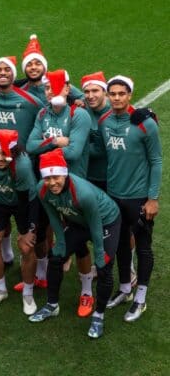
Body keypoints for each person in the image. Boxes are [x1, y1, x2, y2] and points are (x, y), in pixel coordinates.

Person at [29, 149, 120, 339]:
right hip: (79, 221)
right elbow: (53, 217)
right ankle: (52, 305)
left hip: (105, 221)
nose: (52, 183)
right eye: (47, 178)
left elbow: (95, 224)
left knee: (104, 266)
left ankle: (98, 315)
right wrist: (61, 243)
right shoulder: (41, 189)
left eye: (56, 177)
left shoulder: (83, 193)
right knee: (55, 257)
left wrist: (100, 253)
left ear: (65, 173)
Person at [26, 69, 92, 306]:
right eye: (46, 87)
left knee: (79, 242)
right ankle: (42, 275)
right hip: (47, 182)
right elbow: (31, 146)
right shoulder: (43, 113)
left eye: (56, 86)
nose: (51, 91)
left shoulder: (79, 115)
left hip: (72, 184)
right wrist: (54, 141)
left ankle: (86, 291)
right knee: (44, 230)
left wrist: (46, 148)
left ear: (67, 88)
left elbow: (74, 152)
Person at [98, 76, 161, 322]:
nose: (116, 98)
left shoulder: (146, 124)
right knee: (122, 244)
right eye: (112, 93)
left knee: (143, 246)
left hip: (138, 198)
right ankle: (125, 288)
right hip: (114, 196)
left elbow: (156, 161)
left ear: (129, 95)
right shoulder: (104, 121)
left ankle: (141, 297)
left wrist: (152, 199)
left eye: (121, 93)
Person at [0, 57, 44, 270]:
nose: (2, 73)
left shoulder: (31, 101)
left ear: (14, 74)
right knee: (0, 211)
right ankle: (6, 255)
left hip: (26, 168)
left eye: (7, 69)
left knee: (36, 222)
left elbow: (46, 118)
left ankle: (43, 268)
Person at [0, 129, 39, 315]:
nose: (0, 158)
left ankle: (28, 293)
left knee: (27, 247)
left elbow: (25, 200)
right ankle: (0, 289)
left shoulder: (22, 165)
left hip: (24, 201)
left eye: (5, 154)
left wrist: (28, 230)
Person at [17, 34, 84, 107]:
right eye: (29, 65)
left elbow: (83, 97)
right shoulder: (20, 91)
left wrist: (79, 102)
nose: (33, 67)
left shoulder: (59, 83)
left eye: (38, 64)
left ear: (44, 67)